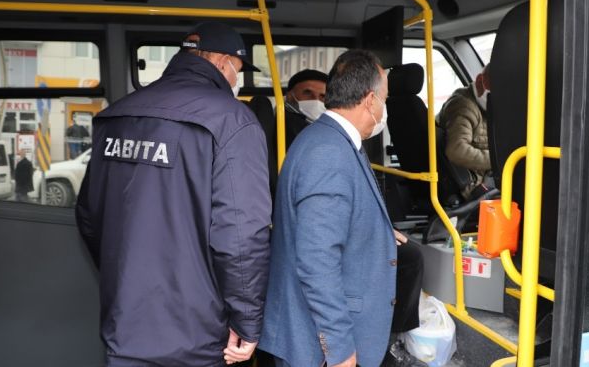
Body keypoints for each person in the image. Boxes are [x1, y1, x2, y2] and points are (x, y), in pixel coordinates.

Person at [75, 21, 272, 367]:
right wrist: (247, 321)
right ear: (223, 61)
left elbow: (89, 216)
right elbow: (241, 237)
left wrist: (125, 276)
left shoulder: (116, 115)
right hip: (196, 334)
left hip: (124, 324)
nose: (236, 80)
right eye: (238, 70)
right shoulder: (232, 121)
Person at [259, 50, 399, 367]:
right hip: (317, 347)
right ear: (370, 101)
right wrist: (337, 346)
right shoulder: (329, 153)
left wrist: (377, 231)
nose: (384, 108)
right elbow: (316, 259)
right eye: (385, 99)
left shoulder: (327, 139)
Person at [437, 64, 493, 199]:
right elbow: (456, 150)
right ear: (479, 80)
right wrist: (496, 160)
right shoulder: (463, 106)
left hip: (485, 179)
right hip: (471, 187)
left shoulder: (487, 108)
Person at [283, 69, 328, 146]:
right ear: (289, 96)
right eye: (308, 93)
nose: (316, 99)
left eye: (323, 96)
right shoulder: (286, 124)